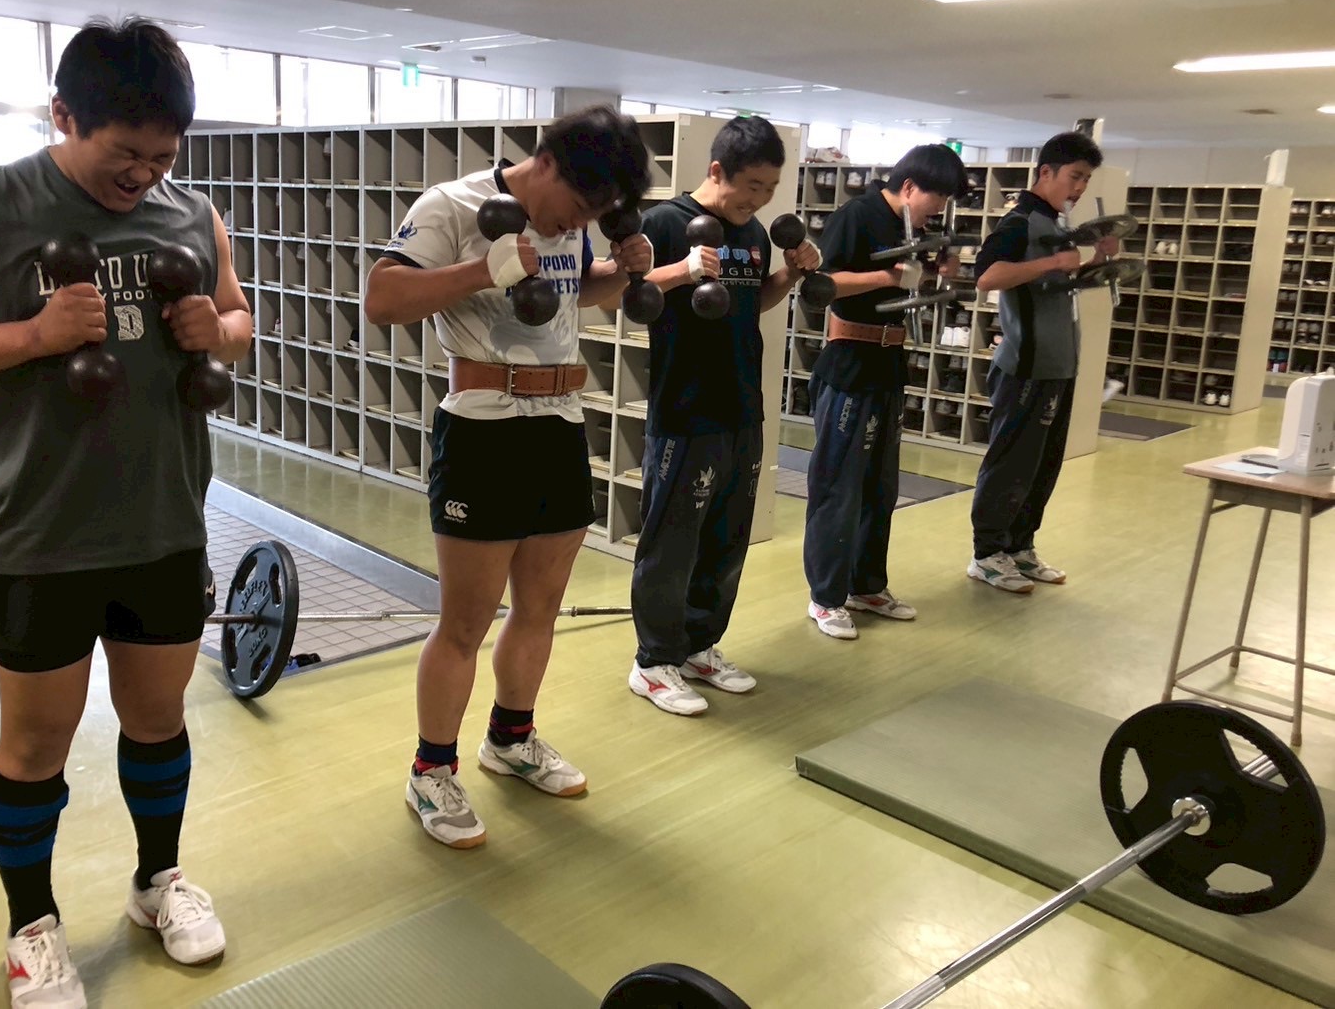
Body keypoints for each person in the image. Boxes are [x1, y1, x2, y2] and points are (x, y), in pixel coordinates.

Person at [0, 17, 251, 1009]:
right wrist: (33, 335)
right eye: (124, 152)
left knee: (158, 719)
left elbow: (239, 319)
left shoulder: (192, 214)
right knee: (35, 744)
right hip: (38, 532)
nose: (143, 175)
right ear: (63, 116)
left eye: (162, 156)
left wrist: (218, 327)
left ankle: (157, 880)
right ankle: (31, 927)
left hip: (163, 520)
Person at [366, 104, 652, 848]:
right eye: (578, 206)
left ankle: (511, 739)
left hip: (559, 424)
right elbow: (382, 299)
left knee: (540, 607)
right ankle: (431, 770)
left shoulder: (571, 224)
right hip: (483, 430)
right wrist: (481, 269)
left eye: (593, 216)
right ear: (547, 163)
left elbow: (569, 292)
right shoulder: (453, 205)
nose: (576, 223)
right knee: (464, 622)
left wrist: (618, 272)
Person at [621, 116, 820, 715]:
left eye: (769, 189)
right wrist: (684, 270)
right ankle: (654, 662)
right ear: (716, 171)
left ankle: (698, 646)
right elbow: (630, 299)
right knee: (672, 540)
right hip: (685, 409)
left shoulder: (754, 232)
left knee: (726, 536)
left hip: (742, 404)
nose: (759, 199)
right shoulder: (666, 223)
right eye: (751, 185)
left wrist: (790, 274)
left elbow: (752, 301)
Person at [802, 146, 969, 640]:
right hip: (850, 365)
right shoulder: (858, 215)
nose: (940, 209)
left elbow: (909, 286)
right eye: (937, 198)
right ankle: (826, 597)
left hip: (890, 365)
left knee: (880, 488)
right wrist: (891, 275)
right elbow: (822, 284)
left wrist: (936, 273)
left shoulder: (911, 229)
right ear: (910, 186)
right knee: (839, 487)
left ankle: (867, 585)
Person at [967, 131, 1118, 593]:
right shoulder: (1020, 222)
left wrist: (1096, 262)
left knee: (1042, 465)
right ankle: (986, 554)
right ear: (1046, 172)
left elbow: (1055, 288)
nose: (1080, 188)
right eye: (1075, 176)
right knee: (1011, 463)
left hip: (1059, 364)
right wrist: (1051, 263)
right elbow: (987, 277)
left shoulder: (1055, 225)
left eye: (1086, 180)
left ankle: (1019, 546)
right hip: (1025, 365)